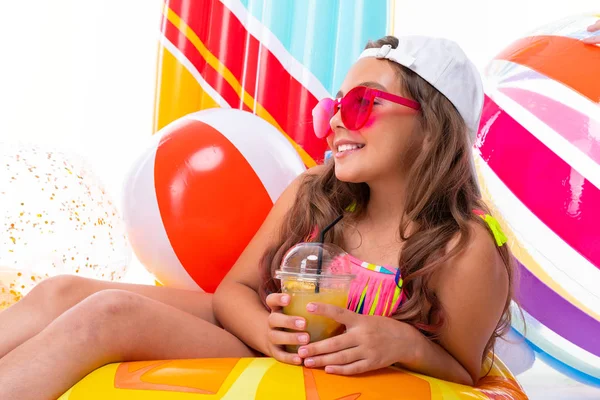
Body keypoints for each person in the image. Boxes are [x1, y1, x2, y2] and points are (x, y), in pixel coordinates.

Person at [0, 35, 516, 399]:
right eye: (334, 104)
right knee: (62, 292)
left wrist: (405, 343)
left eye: (361, 104)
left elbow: (466, 372)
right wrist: (266, 330)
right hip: (264, 338)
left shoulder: (462, 248)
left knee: (109, 314)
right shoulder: (315, 194)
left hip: (298, 367)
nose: (335, 118)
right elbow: (233, 292)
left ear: (433, 123)